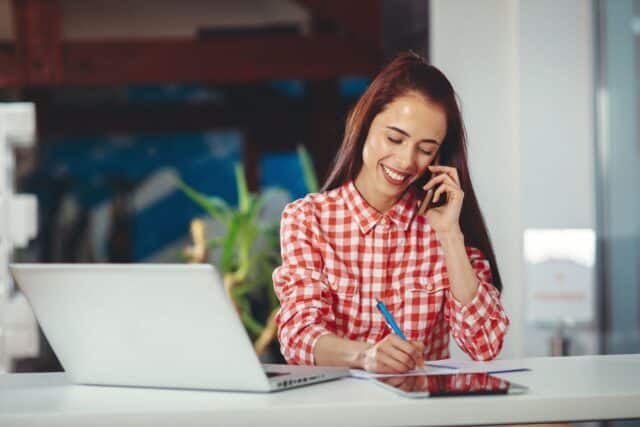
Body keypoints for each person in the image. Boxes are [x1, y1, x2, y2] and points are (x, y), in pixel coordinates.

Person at [272, 51, 509, 374]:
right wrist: (365, 356)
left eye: (425, 149)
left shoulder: (444, 227)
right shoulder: (307, 219)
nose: (406, 161)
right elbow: (298, 336)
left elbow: (485, 345)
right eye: (394, 138)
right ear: (364, 123)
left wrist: (450, 235)